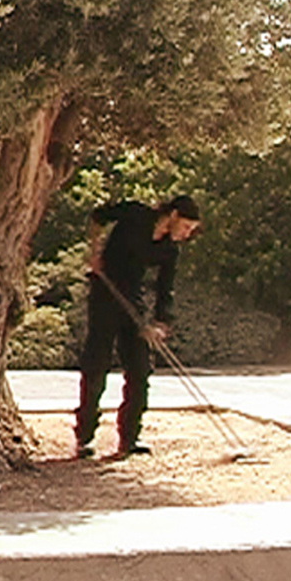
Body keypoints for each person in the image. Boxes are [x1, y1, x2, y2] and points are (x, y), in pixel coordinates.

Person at [74, 195, 201, 459]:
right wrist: (95, 252)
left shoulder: (170, 249)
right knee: (96, 364)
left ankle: (129, 438)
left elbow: (166, 290)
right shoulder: (135, 213)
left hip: (134, 300)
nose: (187, 235)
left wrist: (159, 324)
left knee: (140, 369)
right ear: (174, 215)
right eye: (187, 227)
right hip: (105, 293)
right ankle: (84, 436)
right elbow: (97, 216)